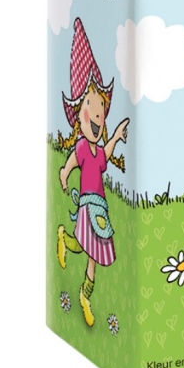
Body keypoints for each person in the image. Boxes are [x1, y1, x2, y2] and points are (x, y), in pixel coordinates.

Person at [56, 19, 129, 328]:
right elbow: (72, 161)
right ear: (79, 115)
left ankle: (85, 296)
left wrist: (117, 136)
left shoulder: (98, 151)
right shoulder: (84, 147)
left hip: (100, 206)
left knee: (93, 255)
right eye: (92, 105)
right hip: (88, 205)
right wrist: (64, 172)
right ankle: (65, 239)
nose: (99, 112)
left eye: (101, 106)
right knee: (87, 248)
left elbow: (106, 155)